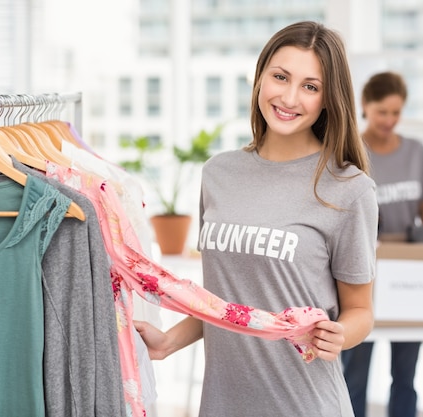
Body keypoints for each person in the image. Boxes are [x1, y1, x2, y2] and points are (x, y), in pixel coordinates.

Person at [134, 21, 378, 417]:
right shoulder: (218, 173)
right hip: (221, 404)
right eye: (280, 77)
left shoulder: (349, 188)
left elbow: (361, 311)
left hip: (306, 404)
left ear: (328, 99)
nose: (289, 96)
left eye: (310, 86)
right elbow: (229, 297)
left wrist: (340, 336)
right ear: (260, 77)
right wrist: (168, 342)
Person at [341, 72, 423, 417]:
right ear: (365, 106)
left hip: (405, 277)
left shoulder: (415, 151)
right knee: (354, 371)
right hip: (359, 276)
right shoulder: (349, 150)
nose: (389, 120)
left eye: (396, 113)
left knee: (406, 372)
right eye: (382, 112)